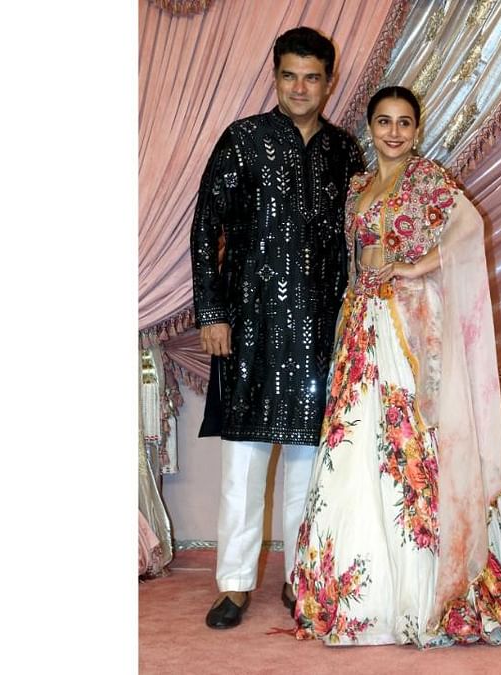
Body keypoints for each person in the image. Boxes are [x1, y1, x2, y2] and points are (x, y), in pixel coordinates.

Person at [290, 86, 501, 647]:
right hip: (361, 329)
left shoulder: (429, 181)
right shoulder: (357, 188)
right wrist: (352, 311)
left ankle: (430, 585)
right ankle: (360, 591)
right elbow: (354, 260)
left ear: (417, 130)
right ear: (368, 128)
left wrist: (413, 267)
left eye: (404, 122)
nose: (393, 132)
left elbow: (467, 235)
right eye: (383, 122)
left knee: (413, 444)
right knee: (356, 448)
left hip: (408, 327)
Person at [190, 27, 365, 629]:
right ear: (275, 76)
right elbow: (204, 226)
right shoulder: (243, 140)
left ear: (328, 81)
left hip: (320, 328)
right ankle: (234, 584)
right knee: (242, 463)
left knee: (306, 466)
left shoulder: (345, 152)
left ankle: (301, 578)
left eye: (311, 77)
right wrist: (211, 312)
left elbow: (358, 240)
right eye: (289, 75)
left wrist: (356, 321)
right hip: (249, 327)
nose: (299, 87)